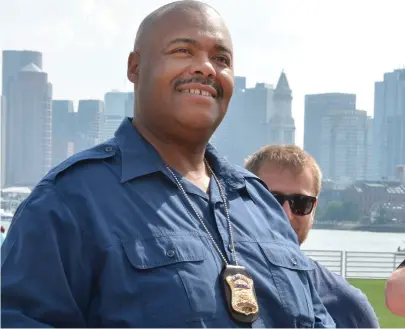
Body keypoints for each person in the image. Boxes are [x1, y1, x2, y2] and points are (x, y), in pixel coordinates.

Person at [1, 1, 335, 328]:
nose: (206, 68)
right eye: (183, 51)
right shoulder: (69, 202)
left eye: (221, 59)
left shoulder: (259, 204)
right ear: (135, 67)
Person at [245, 145, 379, 328]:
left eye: (301, 202)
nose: (286, 214)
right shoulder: (206, 286)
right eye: (271, 200)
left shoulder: (346, 305)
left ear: (313, 209)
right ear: (242, 201)